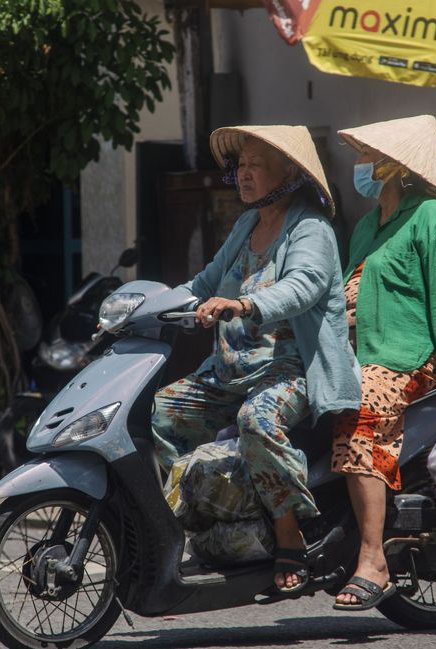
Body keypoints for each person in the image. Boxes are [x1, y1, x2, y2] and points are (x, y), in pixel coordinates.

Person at [151, 125, 361, 593]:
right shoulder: (248, 223)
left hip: (291, 370)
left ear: (289, 172)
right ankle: (192, 520)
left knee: (256, 420)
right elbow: (204, 283)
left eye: (255, 166)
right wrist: (144, 308)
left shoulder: (311, 228)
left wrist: (244, 305)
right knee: (162, 412)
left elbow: (303, 286)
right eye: (240, 166)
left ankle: (289, 535)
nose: (243, 175)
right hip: (228, 371)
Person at [330, 115, 436, 610]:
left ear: (396, 165)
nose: (359, 165)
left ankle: (373, 558)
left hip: (408, 357)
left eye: (366, 156)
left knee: (363, 415)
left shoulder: (434, 219)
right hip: (356, 354)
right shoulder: (368, 225)